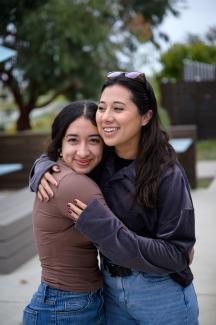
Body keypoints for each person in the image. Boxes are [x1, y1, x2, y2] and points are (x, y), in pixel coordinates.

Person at [30, 72, 199, 325]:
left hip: (161, 294)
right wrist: (42, 167)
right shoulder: (99, 159)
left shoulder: (167, 173)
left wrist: (106, 230)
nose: (106, 116)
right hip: (110, 291)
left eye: (118, 108)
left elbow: (176, 254)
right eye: (102, 107)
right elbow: (66, 150)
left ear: (146, 116)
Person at [23, 101, 106, 325]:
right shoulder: (74, 184)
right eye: (72, 140)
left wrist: (41, 164)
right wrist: (174, 251)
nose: (83, 151)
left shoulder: (60, 172)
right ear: (59, 144)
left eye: (94, 140)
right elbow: (120, 238)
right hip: (68, 308)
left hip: (65, 302)